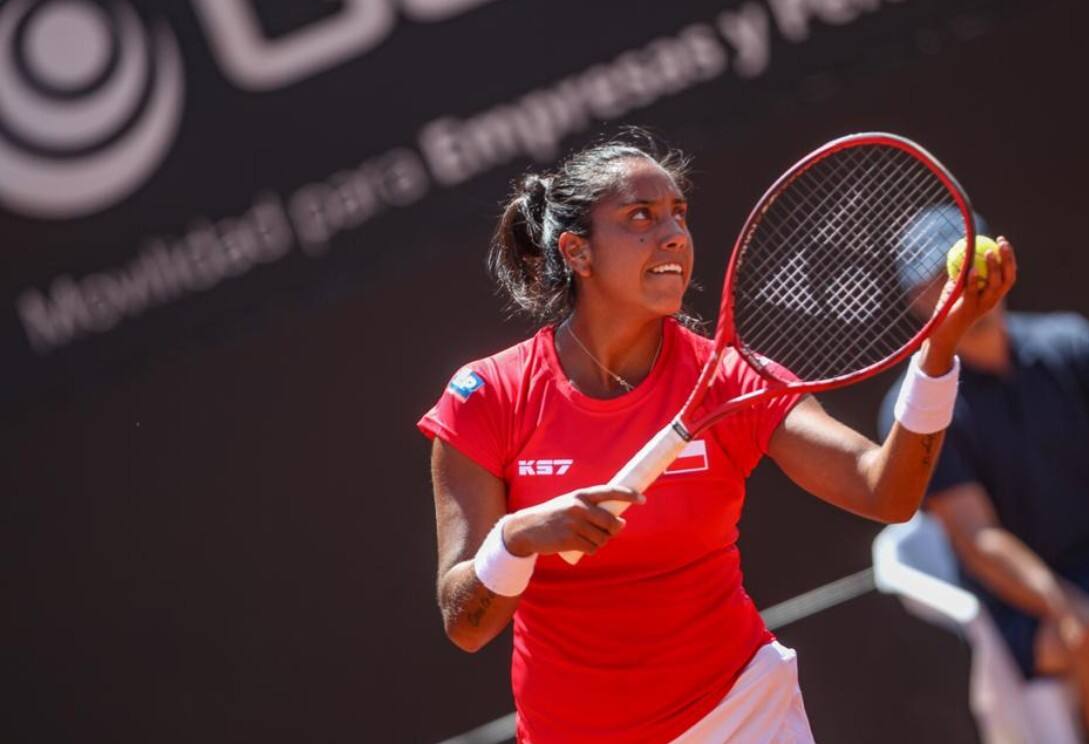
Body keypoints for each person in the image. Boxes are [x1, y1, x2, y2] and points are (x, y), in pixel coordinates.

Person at [418, 133, 1016, 743]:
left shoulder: (732, 381)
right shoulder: (486, 396)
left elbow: (885, 492)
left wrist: (941, 351)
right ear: (577, 251)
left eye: (679, 214)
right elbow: (465, 625)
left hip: (742, 717)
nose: (674, 234)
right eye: (640, 217)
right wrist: (518, 539)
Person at [879, 212, 1089, 744]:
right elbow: (978, 538)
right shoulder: (917, 405)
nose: (966, 291)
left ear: (1000, 267)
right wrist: (1067, 606)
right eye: (942, 281)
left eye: (969, 273)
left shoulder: (1070, 343)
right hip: (1028, 605)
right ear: (920, 299)